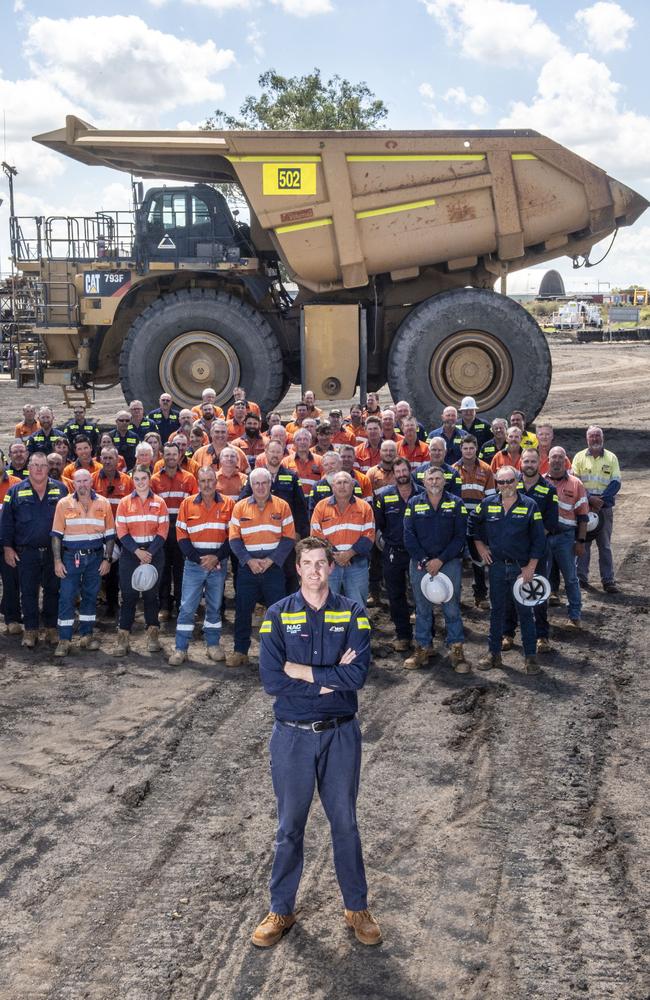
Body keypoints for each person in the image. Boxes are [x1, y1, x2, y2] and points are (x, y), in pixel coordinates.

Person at [253, 536, 380, 949]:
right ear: (298, 567)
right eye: (306, 563)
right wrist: (329, 678)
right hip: (291, 736)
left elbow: (356, 677)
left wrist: (302, 672)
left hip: (341, 734)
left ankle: (356, 907)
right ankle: (281, 910)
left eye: (321, 562)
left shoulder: (353, 612)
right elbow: (273, 681)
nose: (314, 570)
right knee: (289, 828)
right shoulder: (276, 615)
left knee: (345, 823)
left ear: (331, 567)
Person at [469, 466, 546, 674]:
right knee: (496, 612)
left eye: (509, 481)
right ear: (496, 483)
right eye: (501, 482)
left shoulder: (530, 506)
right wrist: (480, 546)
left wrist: (531, 567)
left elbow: (539, 540)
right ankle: (493, 654)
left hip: (521, 570)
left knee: (525, 612)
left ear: (517, 480)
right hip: (496, 568)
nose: (506, 486)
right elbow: (472, 525)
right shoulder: (487, 504)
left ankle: (530, 658)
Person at [403, 466, 469, 672]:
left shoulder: (456, 503)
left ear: (444, 481)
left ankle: (456, 649)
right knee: (422, 609)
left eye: (438, 478)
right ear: (423, 481)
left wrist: (440, 560)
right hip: (420, 563)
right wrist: (424, 559)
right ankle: (422, 648)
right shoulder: (414, 503)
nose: (434, 482)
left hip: (448, 563)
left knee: (451, 607)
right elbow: (408, 535)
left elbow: (460, 536)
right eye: (430, 478)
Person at [227, 468, 295, 668]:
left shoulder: (282, 506)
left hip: (273, 568)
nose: (260, 487)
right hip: (248, 568)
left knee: (276, 611)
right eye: (256, 483)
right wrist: (249, 561)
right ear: (251, 485)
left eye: (264, 483)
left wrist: (271, 560)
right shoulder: (239, 507)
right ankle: (240, 651)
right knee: (242, 610)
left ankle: (279, 655)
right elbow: (234, 539)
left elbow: (289, 538)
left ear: (270, 484)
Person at [1, 452, 68, 648]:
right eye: (35, 465)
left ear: (48, 468)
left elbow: (69, 521)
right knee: (28, 592)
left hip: (53, 552)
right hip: (26, 552)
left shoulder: (61, 490)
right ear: (28, 468)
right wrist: (7, 547)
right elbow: (6, 523)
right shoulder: (14, 491)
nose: (39, 469)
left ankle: (50, 628)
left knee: (53, 590)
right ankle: (30, 629)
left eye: (43, 465)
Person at [169, 467, 235, 665]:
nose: (207, 484)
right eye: (203, 481)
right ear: (198, 483)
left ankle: (212, 645)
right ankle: (181, 648)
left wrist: (216, 558)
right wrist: (199, 559)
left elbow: (233, 537)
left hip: (218, 565)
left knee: (214, 606)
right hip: (193, 565)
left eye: (210, 480)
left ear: (216, 482)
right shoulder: (187, 504)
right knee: (187, 607)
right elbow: (181, 537)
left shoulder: (229, 504)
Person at [51, 468, 115, 657]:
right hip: (71, 558)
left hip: (95, 557)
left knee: (90, 596)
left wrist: (107, 559)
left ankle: (86, 635)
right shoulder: (64, 504)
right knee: (67, 597)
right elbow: (56, 536)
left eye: (85, 480)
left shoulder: (103, 503)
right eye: (78, 481)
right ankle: (64, 639)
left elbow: (110, 535)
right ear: (73, 483)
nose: (82, 485)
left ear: (91, 482)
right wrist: (57, 560)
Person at [501, 448, 558, 655]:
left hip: (537, 551)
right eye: (526, 461)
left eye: (533, 461)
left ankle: (542, 636)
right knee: (509, 593)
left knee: (538, 593)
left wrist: (530, 540)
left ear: (539, 463)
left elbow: (550, 523)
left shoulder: (548, 490)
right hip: (513, 553)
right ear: (521, 464)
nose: (529, 465)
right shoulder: (511, 486)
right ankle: (507, 633)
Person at [114, 466, 169, 655]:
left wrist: (149, 554)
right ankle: (123, 638)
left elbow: (163, 531)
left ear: (149, 479)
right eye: (136, 479)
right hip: (131, 554)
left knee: (151, 596)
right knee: (128, 596)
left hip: (154, 553)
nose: (140, 482)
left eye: (143, 478)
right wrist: (137, 552)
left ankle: (153, 634)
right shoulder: (124, 503)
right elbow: (121, 531)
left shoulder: (160, 503)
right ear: (132, 480)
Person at [310, 471, 375, 608]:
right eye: (338, 483)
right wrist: (335, 556)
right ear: (332, 487)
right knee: (327, 605)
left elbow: (369, 536)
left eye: (346, 482)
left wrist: (349, 554)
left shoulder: (365, 507)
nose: (342, 486)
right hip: (329, 565)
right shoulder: (321, 507)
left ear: (352, 486)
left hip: (357, 564)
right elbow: (316, 535)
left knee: (358, 606)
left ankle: (357, 630)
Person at [151, 442, 198, 621]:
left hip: (182, 531)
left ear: (180, 456)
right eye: (168, 454)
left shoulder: (189, 478)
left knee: (181, 571)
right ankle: (164, 606)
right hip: (162, 531)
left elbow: (194, 507)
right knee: (163, 570)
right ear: (163, 456)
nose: (171, 457)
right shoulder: (154, 480)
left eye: (174, 454)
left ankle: (182, 605)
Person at [374, 457, 417, 651]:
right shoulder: (384, 496)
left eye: (404, 471)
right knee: (395, 595)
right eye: (397, 471)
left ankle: (427, 638)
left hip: (418, 553)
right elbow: (379, 525)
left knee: (421, 595)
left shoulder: (422, 495)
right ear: (394, 474)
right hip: (393, 552)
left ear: (410, 471)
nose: (401, 475)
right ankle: (403, 635)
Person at [572, 426, 621, 593]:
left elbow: (616, 482)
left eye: (597, 436)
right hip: (584, 508)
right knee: (583, 544)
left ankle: (608, 580)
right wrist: (589, 498)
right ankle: (581, 578)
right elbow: (575, 483)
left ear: (603, 438)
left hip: (604, 508)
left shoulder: (611, 458)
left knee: (605, 545)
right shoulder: (579, 457)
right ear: (587, 439)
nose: (595, 439)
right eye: (592, 436)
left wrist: (601, 500)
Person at [546, 446, 588, 627]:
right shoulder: (541, 482)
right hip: (545, 538)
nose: (556, 460)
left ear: (566, 461)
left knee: (571, 578)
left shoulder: (575, 484)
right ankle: (539, 617)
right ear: (548, 460)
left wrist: (580, 541)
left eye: (560, 457)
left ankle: (574, 615)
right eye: (553, 457)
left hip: (566, 537)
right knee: (541, 578)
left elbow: (583, 516)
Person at [453, 435, 496, 610]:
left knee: (478, 560)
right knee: (456, 560)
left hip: (478, 521)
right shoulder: (453, 470)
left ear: (476, 448)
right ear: (461, 449)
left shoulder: (486, 469)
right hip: (458, 521)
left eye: (471, 448)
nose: (468, 451)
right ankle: (455, 595)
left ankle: (480, 595)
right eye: (465, 448)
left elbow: (492, 497)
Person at [92, 446, 134, 617]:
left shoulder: (127, 480)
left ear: (118, 460)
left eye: (111, 458)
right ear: (100, 459)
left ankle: (116, 603)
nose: (108, 461)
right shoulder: (93, 480)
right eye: (105, 458)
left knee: (118, 571)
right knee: (100, 570)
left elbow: (132, 505)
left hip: (120, 534)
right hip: (99, 534)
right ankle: (101, 602)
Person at [0, 451, 22, 635]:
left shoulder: (16, 484)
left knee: (11, 582)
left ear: (3, 461)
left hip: (9, 543)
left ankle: (12, 619)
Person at [285, 429, 323, 497]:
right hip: (293, 503)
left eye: (305, 439)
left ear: (310, 442)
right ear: (294, 443)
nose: (302, 442)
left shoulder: (320, 461)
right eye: (299, 439)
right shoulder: (286, 462)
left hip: (314, 503)